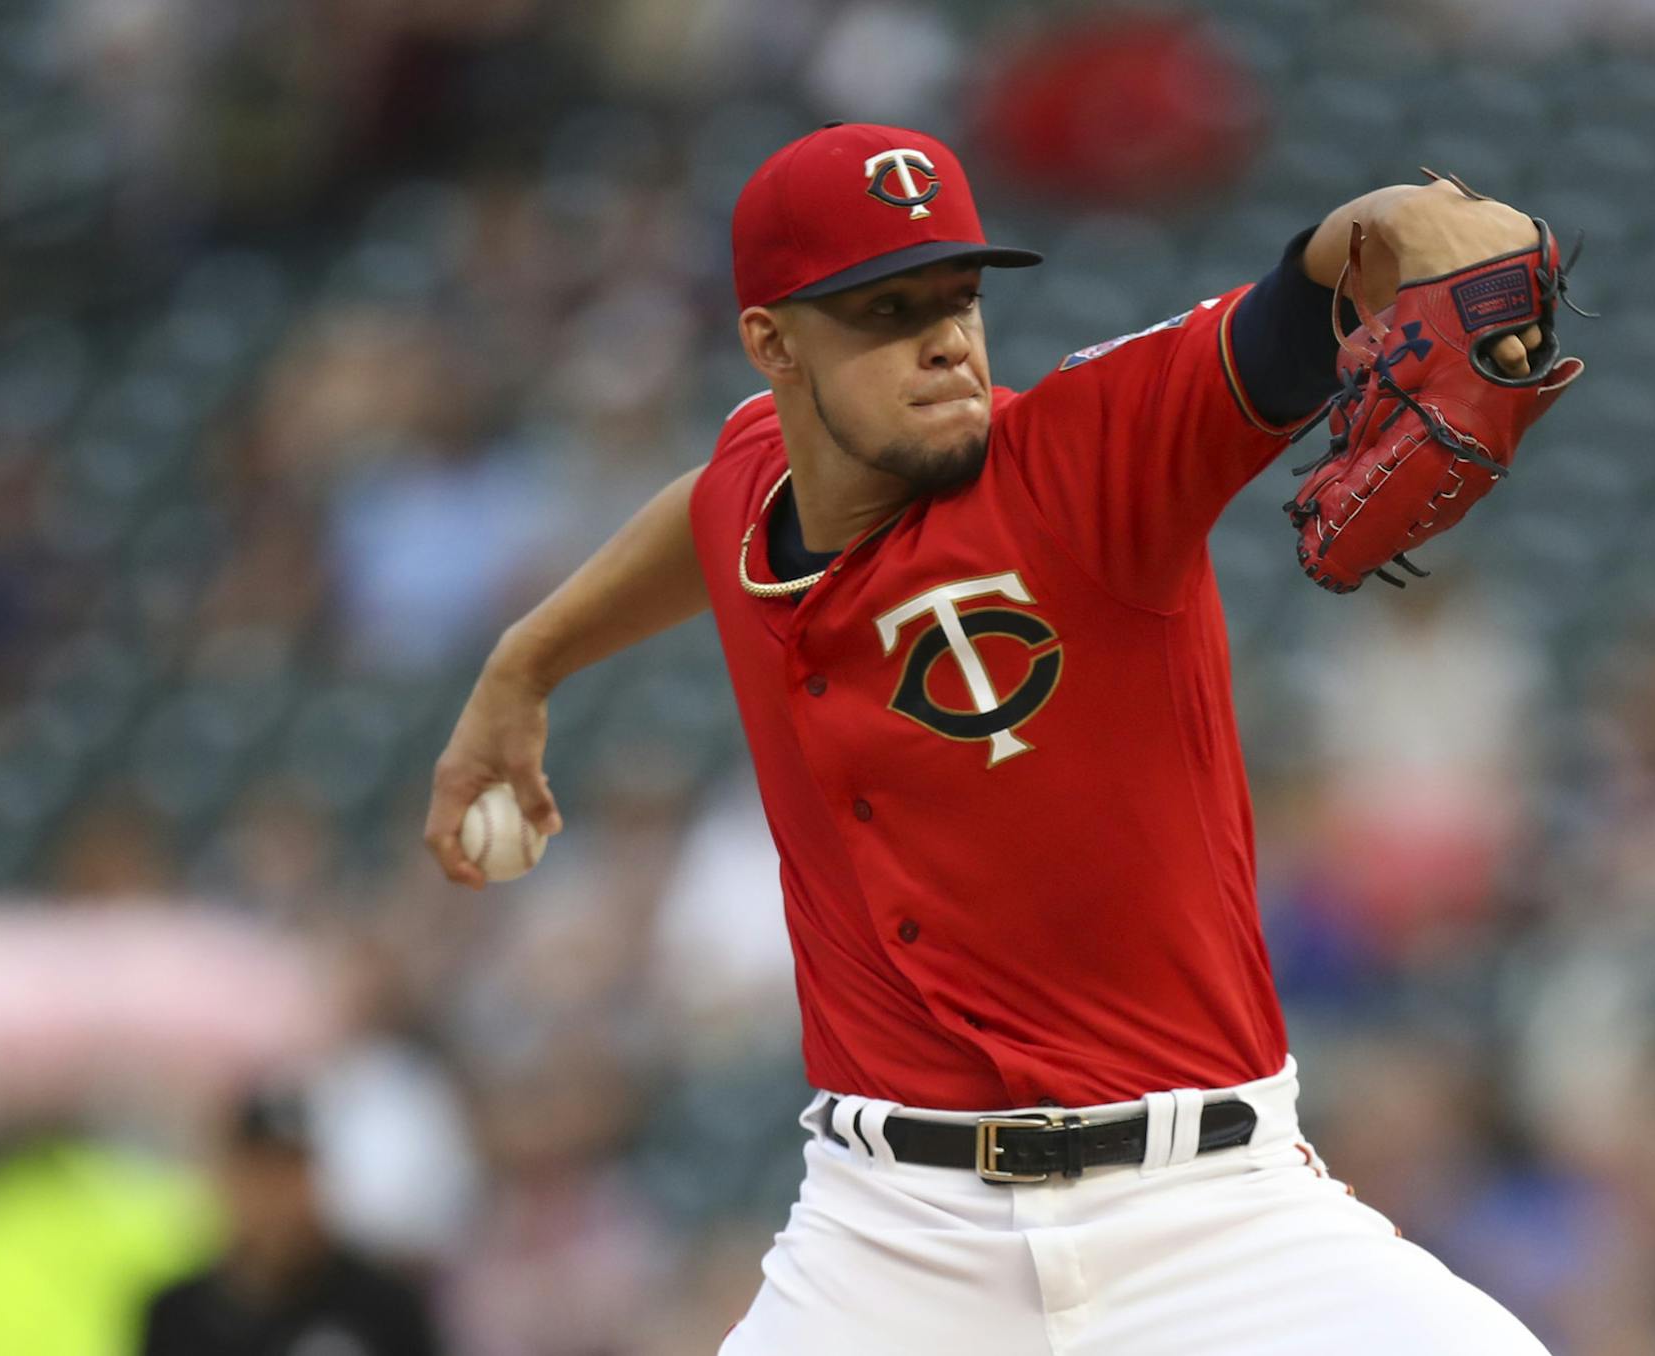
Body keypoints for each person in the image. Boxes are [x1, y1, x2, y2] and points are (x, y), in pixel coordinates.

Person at [426, 121, 1555, 1352]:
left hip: (1207, 1215)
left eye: (958, 298)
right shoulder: (759, 481)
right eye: (885, 308)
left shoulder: (1084, 460)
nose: (945, 341)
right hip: (887, 1237)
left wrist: (1429, 225)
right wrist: (520, 668)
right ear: (773, 346)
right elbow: (707, 506)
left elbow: (1319, 288)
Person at [139, 1085, 440, 1356]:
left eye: (293, 1174)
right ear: (229, 1178)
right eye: (263, 1175)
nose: (280, 1199)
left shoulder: (384, 1307)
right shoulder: (177, 1316)